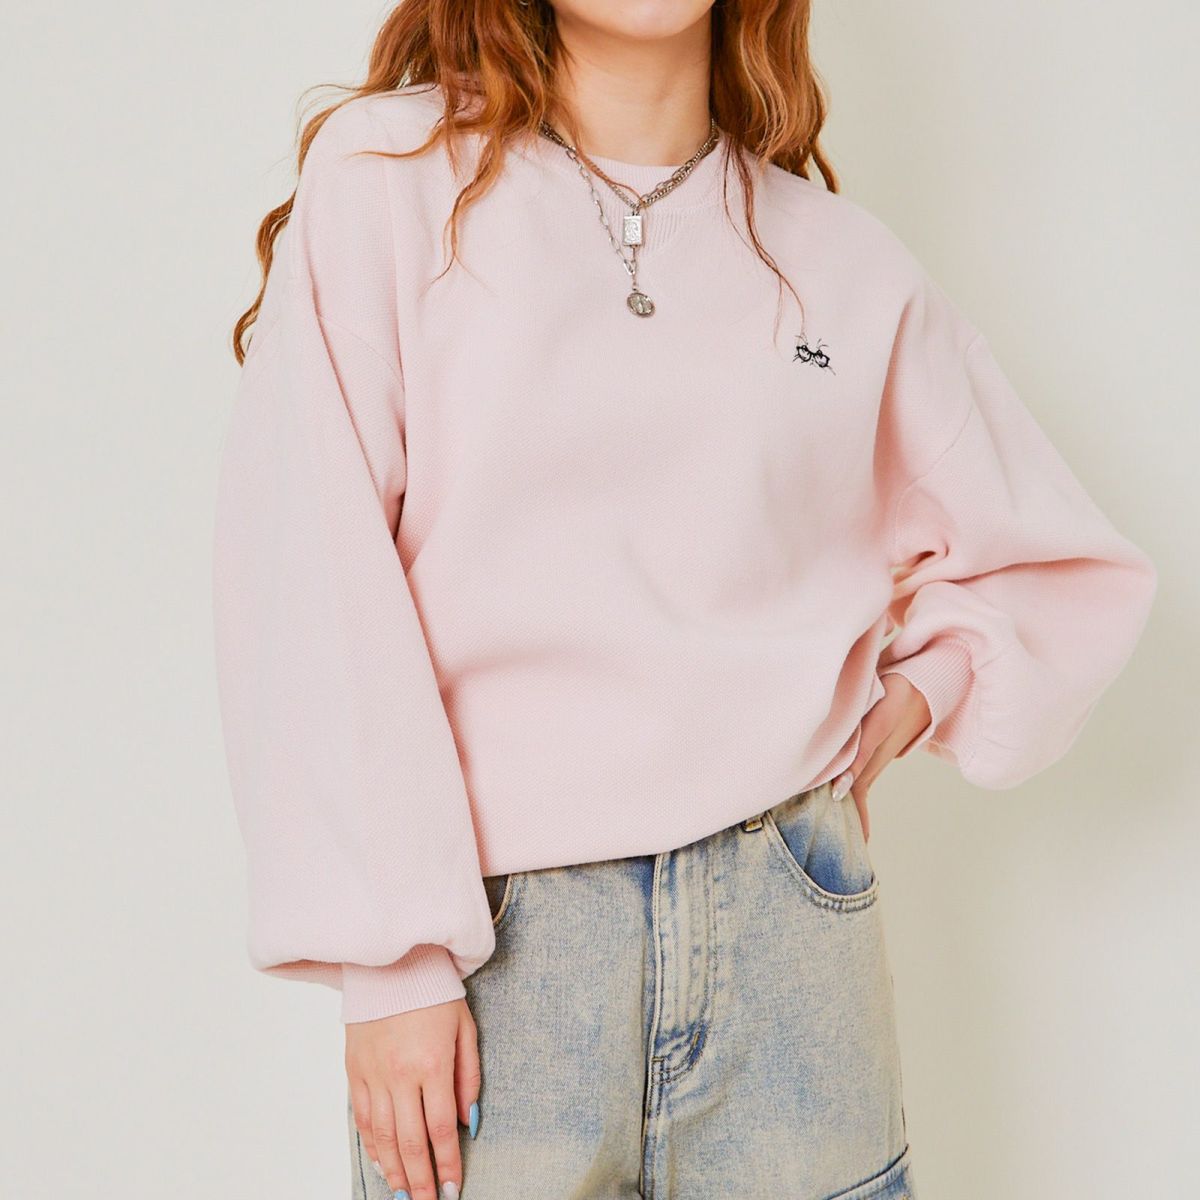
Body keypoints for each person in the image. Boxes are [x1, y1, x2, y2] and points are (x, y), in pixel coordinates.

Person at [211, 3, 1158, 1198]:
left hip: (790, 931)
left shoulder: (837, 262)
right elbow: (312, 573)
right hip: (502, 955)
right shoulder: (390, 182)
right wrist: (391, 964)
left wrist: (924, 688)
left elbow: (1052, 564)